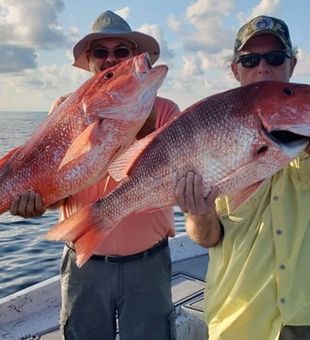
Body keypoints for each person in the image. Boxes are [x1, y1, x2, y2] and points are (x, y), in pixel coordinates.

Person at [10, 10, 180, 340]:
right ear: (89, 61)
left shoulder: (168, 112)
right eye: (101, 52)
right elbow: (52, 185)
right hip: (83, 266)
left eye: (122, 51)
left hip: (148, 265)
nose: (111, 59)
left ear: (134, 57)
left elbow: (173, 178)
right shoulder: (65, 109)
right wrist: (33, 204)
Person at [175, 15, 310, 340]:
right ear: (236, 70)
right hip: (240, 323)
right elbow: (207, 237)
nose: (263, 67)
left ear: (291, 64)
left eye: (275, 58)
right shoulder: (208, 140)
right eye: (250, 60)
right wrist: (199, 212)